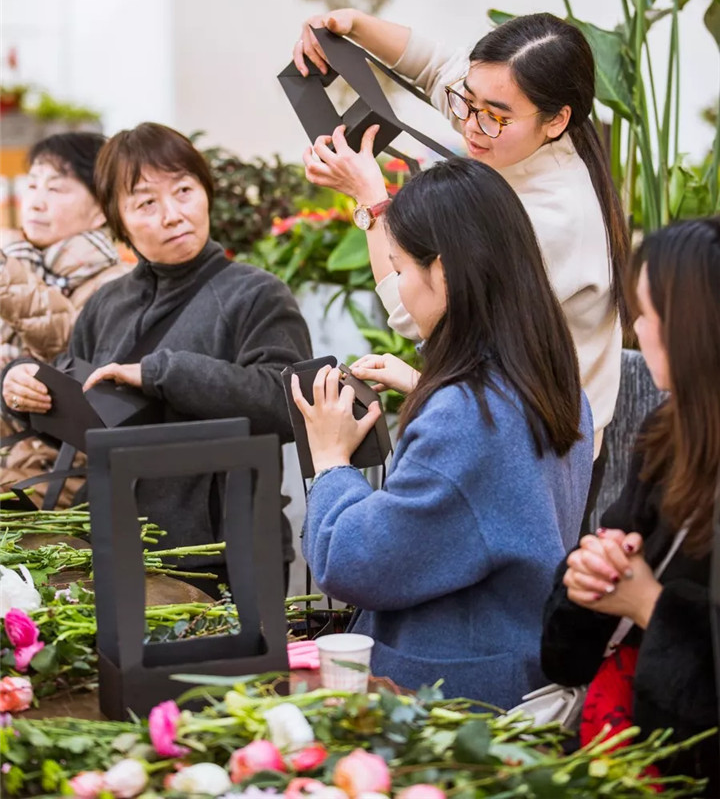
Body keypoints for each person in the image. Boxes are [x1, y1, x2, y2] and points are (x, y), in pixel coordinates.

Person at [293, 158, 593, 707]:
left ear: (446, 273)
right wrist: (427, 385)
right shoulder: (554, 377)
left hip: (452, 697)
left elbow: (353, 562)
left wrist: (332, 461)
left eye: (401, 269)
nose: (401, 290)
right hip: (518, 667)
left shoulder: (466, 415)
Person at [293, 10, 629, 481]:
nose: (469, 125)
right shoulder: (509, 127)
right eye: (466, 101)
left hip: (543, 461)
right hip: (505, 420)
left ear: (557, 120)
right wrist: (353, 25)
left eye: (493, 116)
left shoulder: (553, 219)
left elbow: (418, 316)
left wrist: (368, 199)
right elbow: (434, 66)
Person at [1, 123, 311, 585]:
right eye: (146, 203)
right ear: (118, 221)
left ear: (205, 193)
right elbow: (79, 413)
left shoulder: (257, 294)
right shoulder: (107, 304)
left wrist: (159, 373)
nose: (172, 215)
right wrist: (21, 389)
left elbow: (289, 404)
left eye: (184, 191)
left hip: (225, 556)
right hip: (110, 546)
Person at [541, 217, 720, 792]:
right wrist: (589, 571)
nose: (637, 329)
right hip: (629, 742)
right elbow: (612, 547)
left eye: (648, 313)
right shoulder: (670, 432)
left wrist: (647, 605)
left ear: (694, 327)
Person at [0, 132, 128, 502]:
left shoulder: (117, 283)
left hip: (66, 476)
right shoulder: (20, 263)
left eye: (55, 189)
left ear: (101, 208)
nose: (36, 202)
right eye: (32, 185)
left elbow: (66, 348)